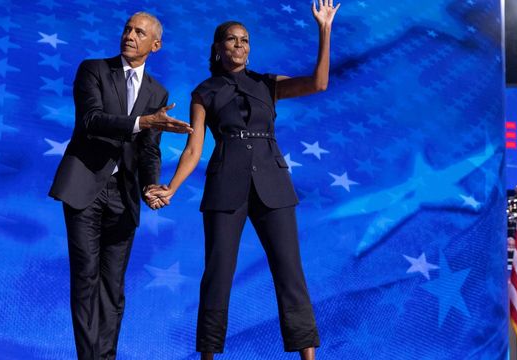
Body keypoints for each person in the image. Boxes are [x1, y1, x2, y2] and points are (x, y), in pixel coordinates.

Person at [147, 1, 341, 359]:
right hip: (225, 187)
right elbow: (193, 150)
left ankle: (309, 357)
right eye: (232, 40)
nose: (239, 45)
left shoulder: (268, 84)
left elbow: (320, 82)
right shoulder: (204, 92)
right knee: (217, 276)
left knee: (290, 273)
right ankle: (208, 354)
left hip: (274, 184)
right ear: (218, 48)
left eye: (245, 40)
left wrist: (324, 29)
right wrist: (171, 188)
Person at [48, 12, 192, 360]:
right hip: (84, 187)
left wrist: (150, 186)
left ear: (154, 45)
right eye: (127, 29)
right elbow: (92, 121)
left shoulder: (158, 91)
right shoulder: (94, 70)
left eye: (139, 32)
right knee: (86, 278)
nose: (129, 35)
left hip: (124, 196)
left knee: (113, 286)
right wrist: (144, 121)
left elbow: (149, 149)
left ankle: (107, 356)